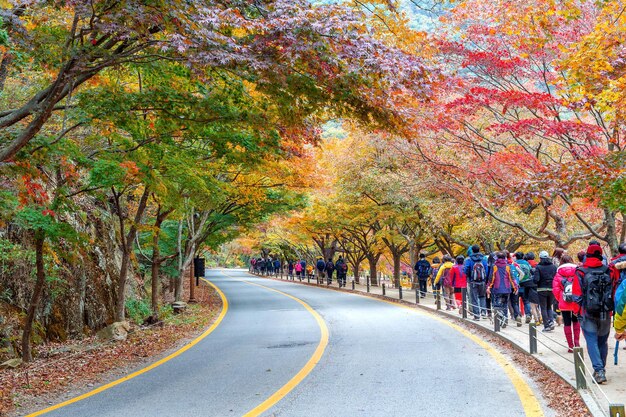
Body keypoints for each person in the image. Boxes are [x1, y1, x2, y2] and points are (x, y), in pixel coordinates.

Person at [572, 243, 618, 384]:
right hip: (605, 311)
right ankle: (601, 369)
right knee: (602, 341)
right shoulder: (609, 271)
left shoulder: (581, 271)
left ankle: (598, 371)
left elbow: (576, 294)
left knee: (591, 340)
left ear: (588, 255)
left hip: (587, 312)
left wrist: (576, 311)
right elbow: (614, 290)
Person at [552, 254, 580, 352]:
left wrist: (560, 298)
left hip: (564, 301)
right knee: (576, 321)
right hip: (576, 301)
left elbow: (555, 289)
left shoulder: (558, 273)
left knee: (567, 323)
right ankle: (577, 343)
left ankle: (570, 346)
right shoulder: (577, 271)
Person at [487, 251, 518, 328]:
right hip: (507, 289)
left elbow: (491, 279)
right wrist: (515, 287)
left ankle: (501, 319)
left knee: (497, 305)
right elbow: (512, 278)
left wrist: (488, 287)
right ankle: (505, 319)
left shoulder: (494, 267)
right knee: (505, 305)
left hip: (497, 289)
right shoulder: (508, 266)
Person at [534, 251, 557, 332]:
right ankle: (551, 321)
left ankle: (546, 326)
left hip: (541, 289)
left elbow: (536, 280)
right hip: (552, 289)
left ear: (540, 258)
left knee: (543, 308)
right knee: (549, 307)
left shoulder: (538, 267)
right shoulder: (554, 267)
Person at [464, 245, 488, 320]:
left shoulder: (469, 259)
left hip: (473, 281)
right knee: (482, 296)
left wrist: (469, 276)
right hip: (483, 281)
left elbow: (466, 270)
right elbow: (486, 270)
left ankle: (477, 315)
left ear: (472, 251)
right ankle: (483, 312)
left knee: (474, 298)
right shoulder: (484, 259)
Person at [507, 252, 523, 327]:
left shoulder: (505, 265)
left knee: (508, 301)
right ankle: (518, 316)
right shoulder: (515, 265)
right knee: (515, 302)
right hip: (515, 286)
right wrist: (518, 281)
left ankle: (512, 315)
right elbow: (522, 273)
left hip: (507, 286)